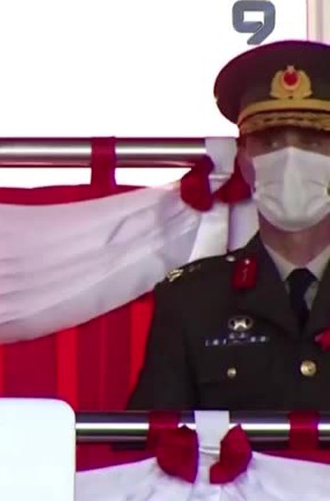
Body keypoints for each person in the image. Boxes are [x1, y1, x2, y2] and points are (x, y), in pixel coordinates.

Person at [128, 40, 330, 410]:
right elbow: (155, 440)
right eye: (269, 142)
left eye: (313, 142)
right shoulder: (191, 301)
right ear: (243, 161)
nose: (290, 160)